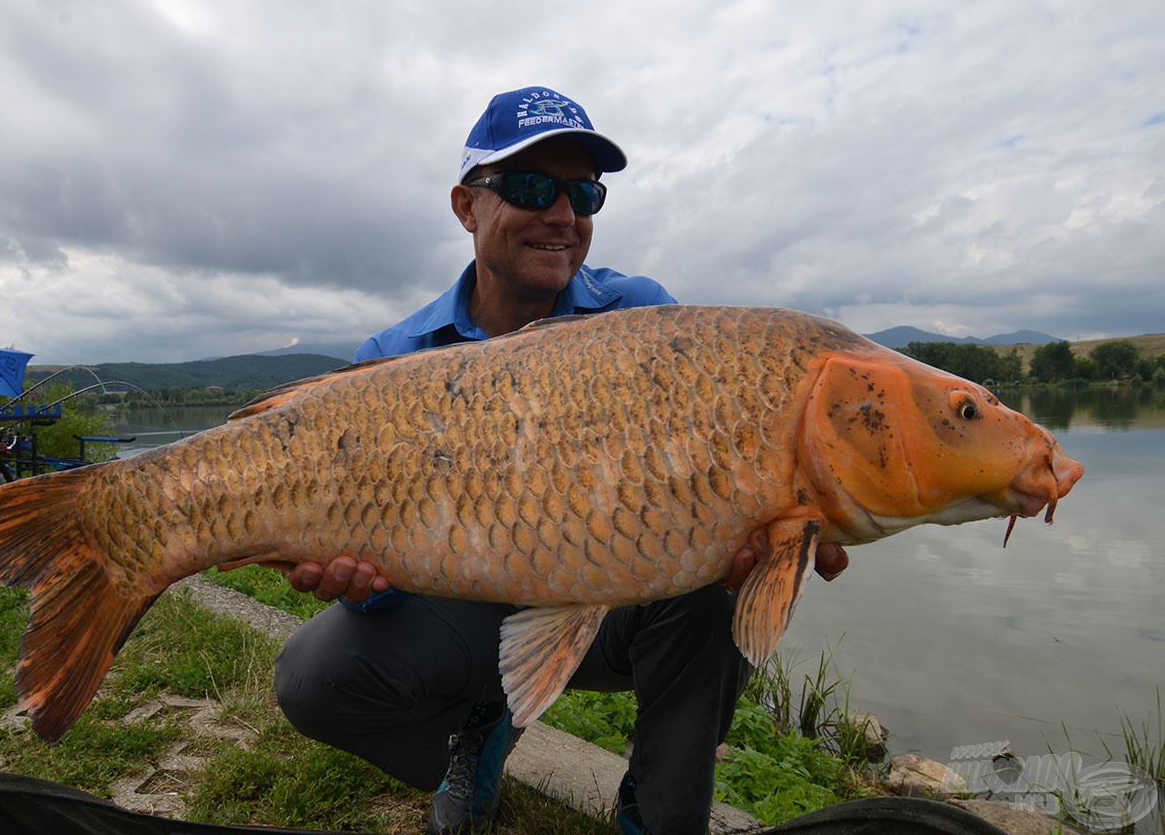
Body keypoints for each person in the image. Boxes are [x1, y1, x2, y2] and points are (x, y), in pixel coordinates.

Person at [273, 86, 849, 835]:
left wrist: (782, 517)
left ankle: (659, 820)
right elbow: (382, 586)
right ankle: (471, 739)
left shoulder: (645, 318)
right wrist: (359, 582)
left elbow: (720, 465)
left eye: (583, 194)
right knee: (312, 679)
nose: (562, 215)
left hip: (613, 604)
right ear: (465, 205)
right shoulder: (394, 362)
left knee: (709, 595)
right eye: (532, 186)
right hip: (469, 612)